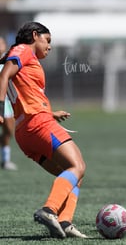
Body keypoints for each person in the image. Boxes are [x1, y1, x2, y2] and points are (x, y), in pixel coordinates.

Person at [0, 22, 87, 239]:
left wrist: (51, 113)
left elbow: (26, 94)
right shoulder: (23, 50)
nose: (49, 46)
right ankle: (49, 210)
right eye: (47, 40)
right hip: (37, 124)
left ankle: (65, 222)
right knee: (78, 166)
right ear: (35, 35)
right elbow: (3, 76)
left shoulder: (26, 58)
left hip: (25, 131)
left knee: (71, 175)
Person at [0, 36, 17, 170]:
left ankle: (5, 160)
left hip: (5, 103)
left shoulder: (9, 62)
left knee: (9, 131)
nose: (1, 45)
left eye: (2, 42)